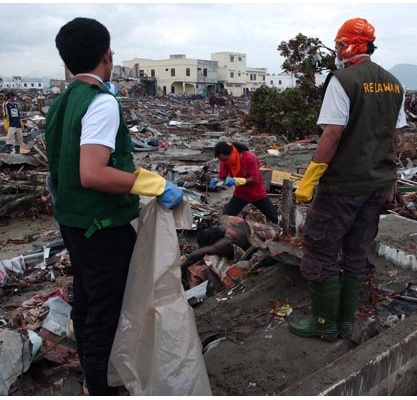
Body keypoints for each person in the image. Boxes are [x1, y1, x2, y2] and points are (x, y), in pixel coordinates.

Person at [45, 17, 183, 395]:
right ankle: (105, 387)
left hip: (73, 222)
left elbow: (61, 167)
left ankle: (95, 379)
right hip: (102, 226)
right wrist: (154, 183)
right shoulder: (101, 102)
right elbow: (92, 172)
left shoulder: (60, 103)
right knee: (106, 314)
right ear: (107, 54)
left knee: (88, 302)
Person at [288, 17, 407, 342]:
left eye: (340, 45)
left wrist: (310, 178)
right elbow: (394, 136)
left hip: (342, 186)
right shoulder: (395, 83)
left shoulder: (343, 80)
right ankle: (345, 322)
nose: (338, 51)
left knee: (321, 248)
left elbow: (332, 133)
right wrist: (389, 173)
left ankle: (325, 322)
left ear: (353, 45)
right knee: (356, 249)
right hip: (377, 184)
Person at [210, 141, 279, 224]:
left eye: (225, 159)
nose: (224, 162)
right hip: (240, 194)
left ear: (231, 153)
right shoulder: (224, 162)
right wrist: (217, 181)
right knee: (225, 218)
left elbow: (255, 179)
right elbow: (222, 177)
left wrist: (236, 180)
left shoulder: (250, 158)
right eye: (221, 160)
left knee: (275, 218)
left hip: (256, 193)